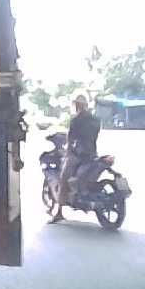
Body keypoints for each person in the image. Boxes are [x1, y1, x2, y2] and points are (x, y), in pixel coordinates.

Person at [50, 95, 101, 223]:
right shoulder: (95, 120)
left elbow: (70, 139)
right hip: (92, 154)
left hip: (79, 155)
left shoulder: (76, 120)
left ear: (77, 105)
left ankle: (59, 212)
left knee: (63, 178)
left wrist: (68, 154)